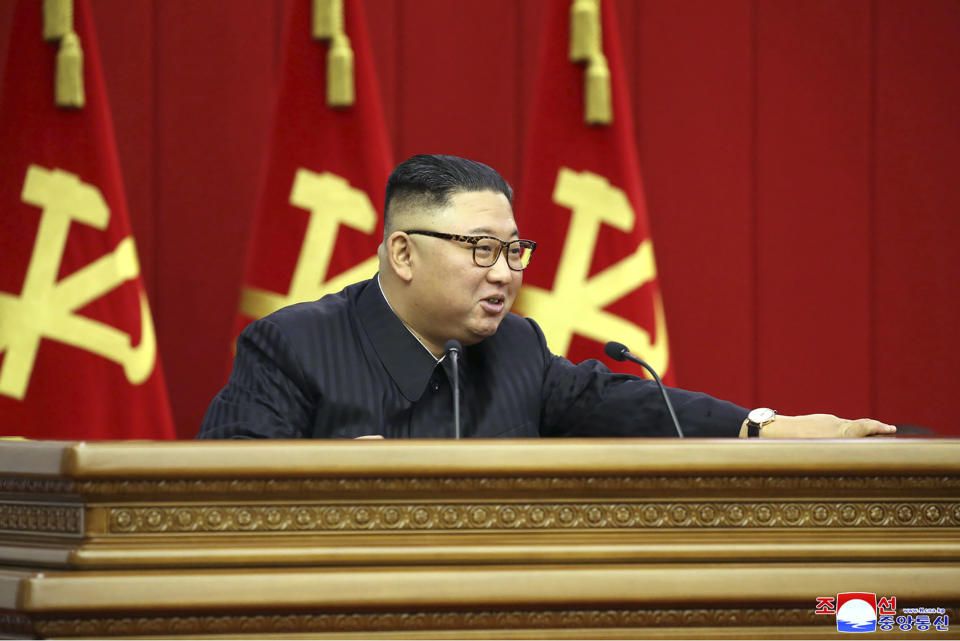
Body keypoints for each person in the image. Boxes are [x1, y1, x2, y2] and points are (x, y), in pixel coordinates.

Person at [198, 154, 895, 440]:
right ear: (403, 252)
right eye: (479, 249)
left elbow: (627, 402)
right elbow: (223, 502)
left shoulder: (517, 349)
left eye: (513, 250)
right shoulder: (293, 345)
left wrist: (764, 429)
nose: (503, 272)